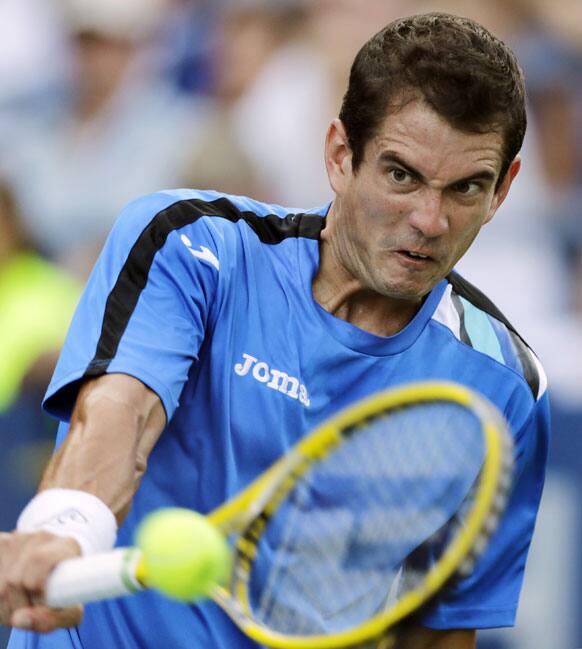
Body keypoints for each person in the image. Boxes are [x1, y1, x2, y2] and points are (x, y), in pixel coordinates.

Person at [1, 12, 549, 649]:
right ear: (341, 155)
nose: (429, 220)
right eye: (401, 175)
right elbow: (117, 419)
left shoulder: (505, 386)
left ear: (504, 189)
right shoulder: (193, 243)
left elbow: (436, 629)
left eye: (466, 188)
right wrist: (63, 529)